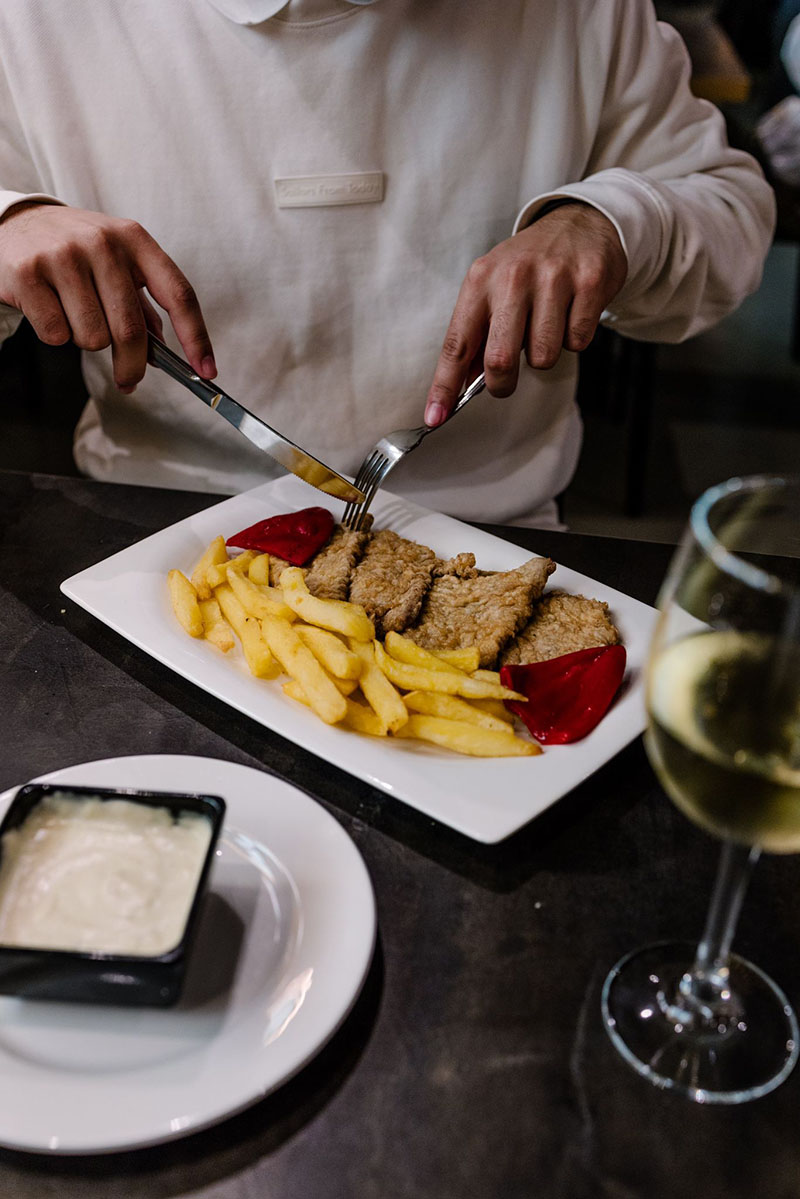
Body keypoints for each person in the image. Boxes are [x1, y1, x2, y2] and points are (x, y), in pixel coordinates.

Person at [0, 0, 775, 528]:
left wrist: (611, 224)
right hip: (147, 527)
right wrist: (8, 227)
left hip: (494, 531)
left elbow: (733, 210)